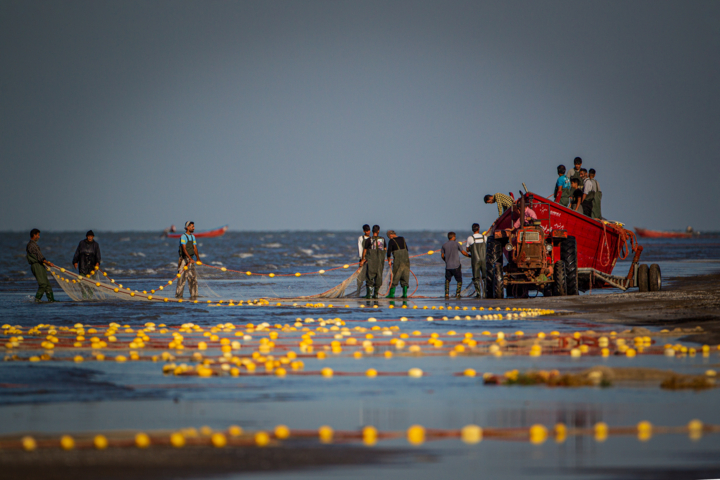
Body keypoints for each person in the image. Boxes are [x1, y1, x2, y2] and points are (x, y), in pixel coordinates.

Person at [26, 229, 56, 302]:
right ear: (34, 235)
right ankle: (37, 300)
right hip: (37, 266)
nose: (39, 237)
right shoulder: (32, 245)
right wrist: (48, 263)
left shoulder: (31, 244)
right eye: (38, 235)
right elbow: (40, 257)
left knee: (47, 284)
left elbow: (39, 257)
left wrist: (45, 263)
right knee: (43, 284)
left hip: (39, 265)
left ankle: (51, 300)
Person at [441, 232, 470, 299]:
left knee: (447, 280)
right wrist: (470, 256)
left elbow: (442, 256)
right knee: (459, 280)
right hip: (456, 266)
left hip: (448, 267)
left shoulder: (444, 245)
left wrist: (446, 260)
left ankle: (446, 294)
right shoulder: (457, 244)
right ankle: (457, 294)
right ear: (453, 237)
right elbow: (463, 253)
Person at [176, 221, 200, 298]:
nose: (194, 228)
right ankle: (179, 296)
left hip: (191, 260)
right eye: (192, 226)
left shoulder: (193, 237)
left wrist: (198, 258)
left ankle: (194, 296)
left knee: (193, 279)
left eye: (194, 226)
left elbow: (195, 248)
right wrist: (189, 258)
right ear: (187, 227)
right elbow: (184, 249)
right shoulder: (183, 236)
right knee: (181, 279)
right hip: (183, 260)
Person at [360, 225, 385, 299]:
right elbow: (385, 249)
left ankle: (369, 295)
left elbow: (365, 250)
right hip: (380, 262)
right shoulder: (383, 240)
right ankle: (376, 294)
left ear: (372, 231)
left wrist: (362, 259)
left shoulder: (368, 240)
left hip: (371, 261)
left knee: (369, 277)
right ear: (378, 231)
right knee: (378, 277)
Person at [386, 230, 410, 298]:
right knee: (405, 276)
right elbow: (407, 249)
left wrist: (389, 261)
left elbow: (388, 253)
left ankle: (391, 294)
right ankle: (405, 294)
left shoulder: (391, 241)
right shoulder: (402, 238)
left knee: (395, 276)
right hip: (406, 260)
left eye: (388, 236)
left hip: (398, 261)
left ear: (390, 235)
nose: (389, 238)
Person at [466, 224, 487, 298]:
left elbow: (467, 249)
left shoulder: (470, 238)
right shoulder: (484, 237)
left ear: (472, 229)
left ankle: (478, 293)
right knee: (485, 277)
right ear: (479, 229)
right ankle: (485, 292)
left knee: (476, 277)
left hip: (475, 260)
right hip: (484, 259)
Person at [356, 225, 371, 295]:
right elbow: (360, 249)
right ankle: (358, 291)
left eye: (369, 230)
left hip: (370, 260)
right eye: (367, 231)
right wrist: (362, 259)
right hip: (363, 259)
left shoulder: (372, 239)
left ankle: (369, 292)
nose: (368, 232)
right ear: (364, 231)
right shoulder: (361, 238)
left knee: (370, 276)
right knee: (360, 277)